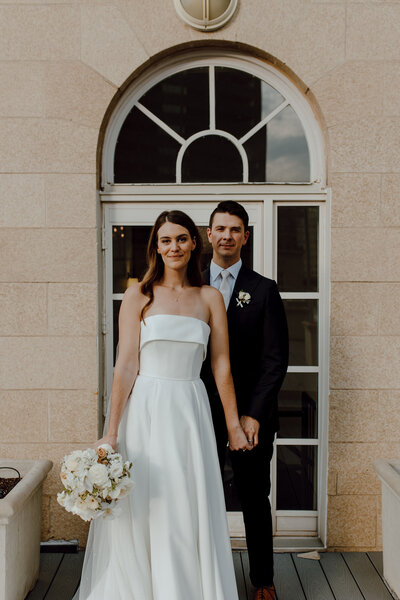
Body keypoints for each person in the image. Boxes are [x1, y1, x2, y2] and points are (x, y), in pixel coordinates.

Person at [75, 210, 251, 600]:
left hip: (190, 410)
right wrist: (111, 431)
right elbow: (125, 365)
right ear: (156, 246)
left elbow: (221, 366)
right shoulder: (139, 294)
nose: (174, 247)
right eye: (166, 240)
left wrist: (234, 424)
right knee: (149, 504)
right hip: (147, 411)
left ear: (194, 244)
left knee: (187, 505)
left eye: (182, 239)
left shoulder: (210, 297)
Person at [201, 201, 289, 600]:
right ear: (209, 234)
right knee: (197, 492)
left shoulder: (263, 289)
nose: (227, 236)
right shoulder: (190, 286)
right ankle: (199, 576)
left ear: (246, 237)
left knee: (254, 496)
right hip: (198, 411)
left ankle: (263, 582)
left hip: (251, 416)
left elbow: (275, 361)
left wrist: (253, 414)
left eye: (235, 230)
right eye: (221, 229)